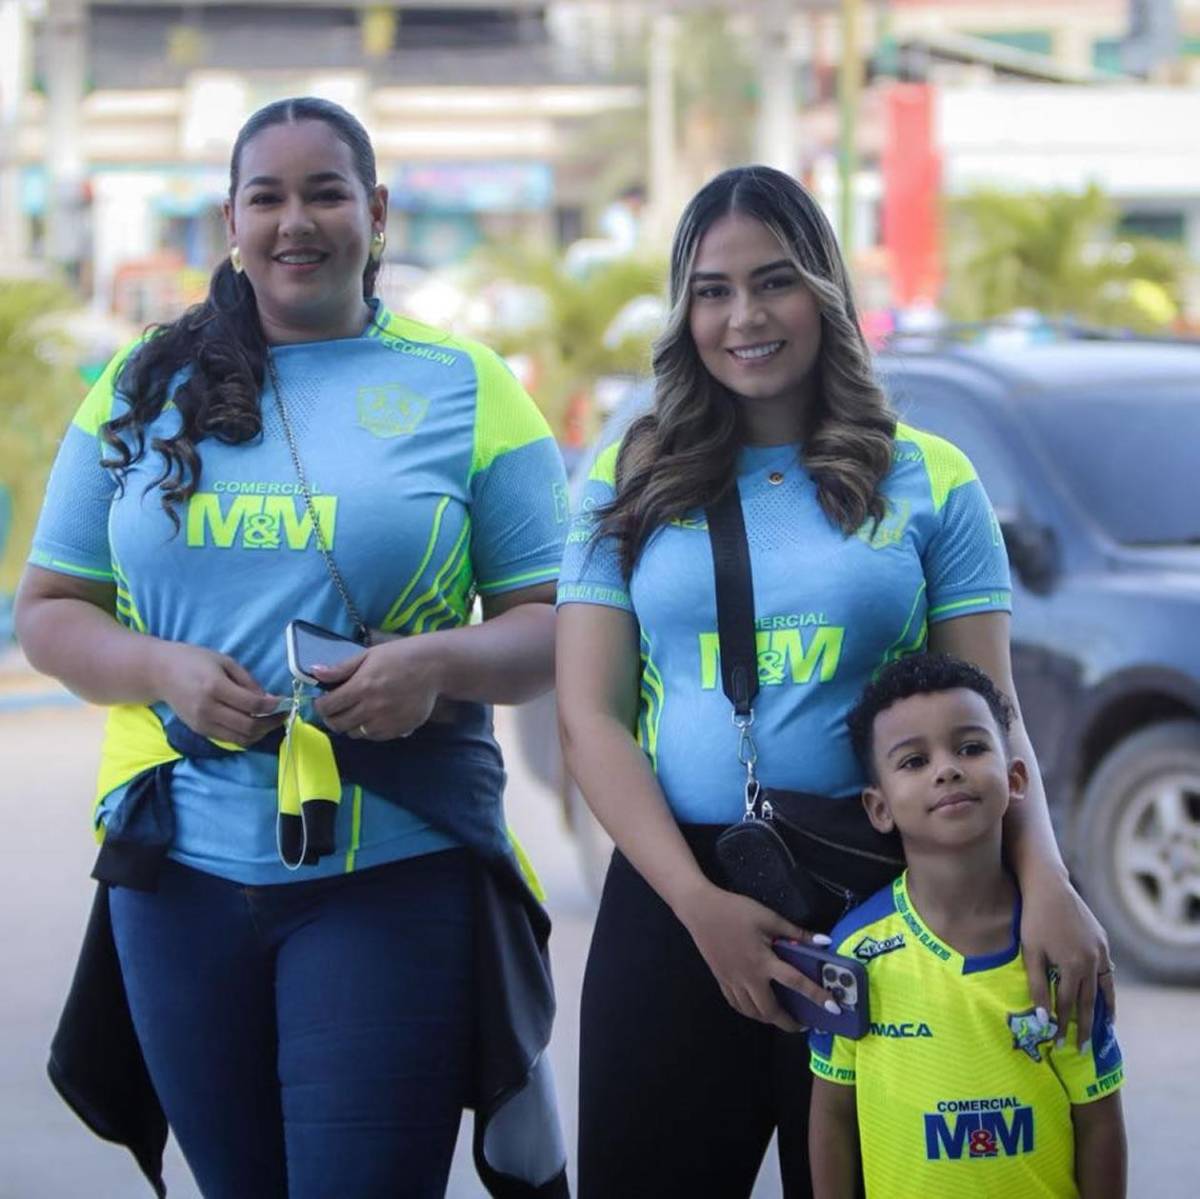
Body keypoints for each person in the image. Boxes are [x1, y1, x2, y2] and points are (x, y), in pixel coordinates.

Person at [16, 97, 569, 1199]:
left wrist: (435, 665)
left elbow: (559, 624)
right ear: (230, 219)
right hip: (173, 872)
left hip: (391, 868)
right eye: (265, 197)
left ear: (377, 210)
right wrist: (161, 669)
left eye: (326, 193)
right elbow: (51, 610)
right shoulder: (138, 385)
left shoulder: (468, 385)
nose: (295, 221)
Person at [554, 164, 1115, 1198]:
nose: (745, 317)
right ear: (685, 313)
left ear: (824, 291)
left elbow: (995, 714)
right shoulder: (627, 477)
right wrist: (698, 905)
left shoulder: (930, 475)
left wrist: (1047, 880)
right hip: (675, 899)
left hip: (880, 905)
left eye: (774, 281)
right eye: (713, 292)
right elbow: (590, 718)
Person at [809, 652, 1126, 1198]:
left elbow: (1099, 1121)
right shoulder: (855, 952)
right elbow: (833, 1116)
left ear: (1016, 777)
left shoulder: (1058, 950)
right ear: (879, 808)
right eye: (914, 761)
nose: (947, 769)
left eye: (971, 748)